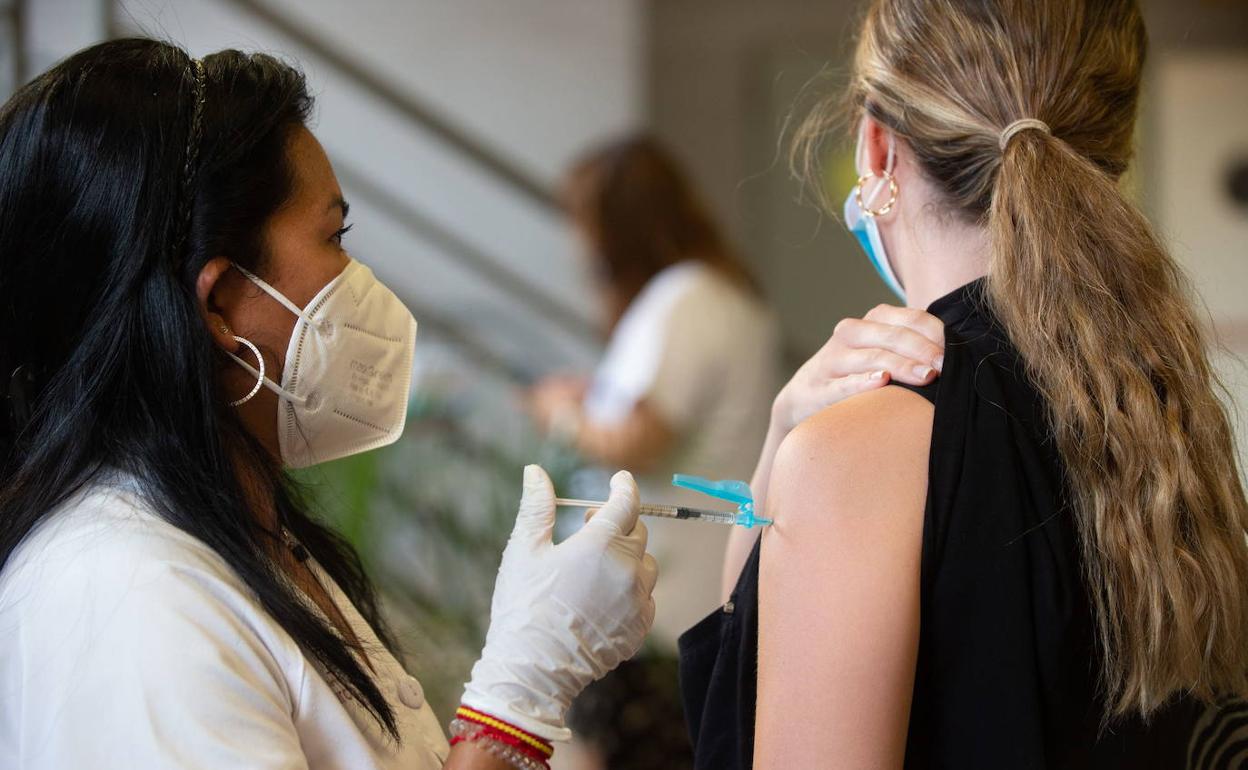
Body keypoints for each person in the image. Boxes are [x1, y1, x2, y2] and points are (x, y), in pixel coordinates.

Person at [0, 39, 661, 770]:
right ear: (221, 306)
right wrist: (515, 704)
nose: (359, 277)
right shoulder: (127, 602)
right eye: (333, 236)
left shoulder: (243, 534)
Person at [679, 1, 1248, 768]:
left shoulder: (862, 449)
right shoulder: (1159, 410)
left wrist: (801, 452)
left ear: (877, 149)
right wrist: (784, 438)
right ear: (1116, 148)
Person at [530, 135, 780, 643]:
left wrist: (559, 412)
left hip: (661, 604)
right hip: (690, 590)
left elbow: (639, 444)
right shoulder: (722, 294)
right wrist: (597, 396)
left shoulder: (685, 299)